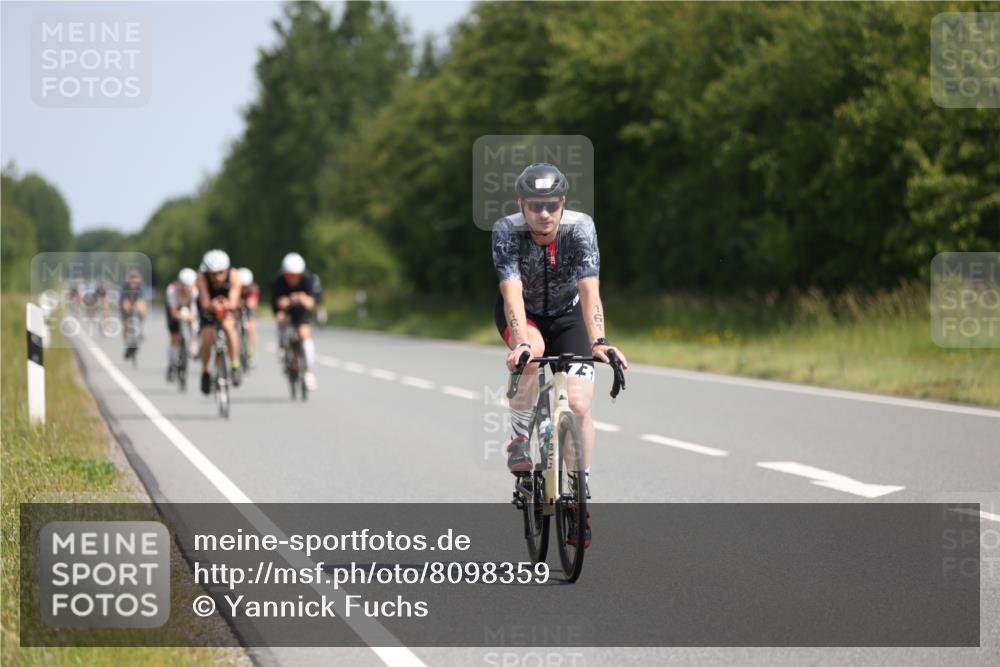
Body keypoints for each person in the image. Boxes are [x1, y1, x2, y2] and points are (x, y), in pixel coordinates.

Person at [492, 162, 629, 549]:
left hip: (568, 314)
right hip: (525, 314)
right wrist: (520, 342)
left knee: (581, 404)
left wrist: (599, 339)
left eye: (551, 204)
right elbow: (511, 293)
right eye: (535, 205)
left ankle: (578, 486)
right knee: (531, 355)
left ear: (562, 202)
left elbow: (589, 290)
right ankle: (519, 440)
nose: (544, 213)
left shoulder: (581, 227)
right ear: (523, 204)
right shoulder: (507, 230)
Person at [271, 252, 321, 391]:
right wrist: (288, 302)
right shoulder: (278, 280)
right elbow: (278, 302)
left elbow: (311, 303)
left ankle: (309, 372)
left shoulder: (308, 279)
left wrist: (301, 298)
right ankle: (282, 345)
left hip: (301, 310)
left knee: (304, 335)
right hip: (285, 309)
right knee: (281, 319)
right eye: (289, 276)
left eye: (296, 276)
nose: (293, 279)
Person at [196, 250, 243, 394]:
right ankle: (205, 372)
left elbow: (234, 302)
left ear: (227, 270)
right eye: (213, 273)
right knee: (207, 338)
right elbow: (204, 302)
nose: (216, 277)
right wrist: (213, 306)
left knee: (229, 327)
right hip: (209, 307)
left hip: (228, 305)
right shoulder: (201, 277)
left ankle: (235, 365)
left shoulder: (234, 275)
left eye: (220, 273)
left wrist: (225, 306)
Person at [165, 268, 199, 381]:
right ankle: (172, 363)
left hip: (188, 308)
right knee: (174, 336)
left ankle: (193, 341)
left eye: (189, 286)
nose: (186, 289)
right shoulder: (172, 290)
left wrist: (189, 318)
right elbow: (173, 311)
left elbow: (194, 313)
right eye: (184, 286)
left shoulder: (195, 292)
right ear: (180, 284)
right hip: (175, 309)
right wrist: (180, 316)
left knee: (194, 325)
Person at [120, 268, 147, 359]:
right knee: (126, 324)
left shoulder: (141, 287)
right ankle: (127, 343)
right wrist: (127, 308)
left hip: (136, 303)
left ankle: (140, 326)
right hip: (126, 302)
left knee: (142, 307)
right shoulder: (125, 287)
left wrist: (138, 308)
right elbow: (124, 302)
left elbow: (141, 300)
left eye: (136, 278)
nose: (134, 281)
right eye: (132, 278)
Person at [238, 267, 259, 368]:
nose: (244, 288)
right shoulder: (234, 287)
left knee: (251, 329)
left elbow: (252, 303)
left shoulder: (253, 289)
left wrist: (247, 303)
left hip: (248, 310)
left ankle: (251, 355)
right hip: (236, 310)